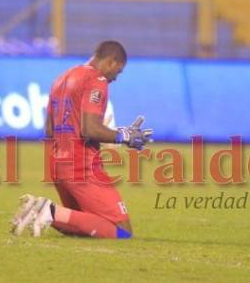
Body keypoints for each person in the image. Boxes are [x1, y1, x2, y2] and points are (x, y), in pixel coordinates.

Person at [10, 40, 153, 239]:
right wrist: (124, 136)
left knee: (83, 224)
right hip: (82, 167)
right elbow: (90, 129)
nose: (115, 78)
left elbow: (50, 129)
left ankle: (43, 212)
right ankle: (49, 211)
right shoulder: (96, 80)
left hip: (58, 164)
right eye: (118, 72)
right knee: (123, 232)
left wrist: (108, 133)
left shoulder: (62, 78)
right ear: (111, 62)